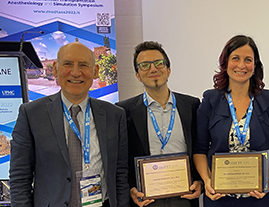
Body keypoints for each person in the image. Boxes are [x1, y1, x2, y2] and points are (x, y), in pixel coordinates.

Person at [9, 42, 129, 207]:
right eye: (68, 64)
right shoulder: (31, 114)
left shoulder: (115, 115)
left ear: (95, 71)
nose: (75, 72)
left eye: (83, 65)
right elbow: (20, 177)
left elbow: (120, 173)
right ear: (55, 69)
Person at [193, 35, 269, 207]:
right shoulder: (210, 100)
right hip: (218, 197)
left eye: (248, 60)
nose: (242, 65)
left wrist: (264, 180)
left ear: (255, 65)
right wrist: (207, 180)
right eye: (235, 58)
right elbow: (199, 149)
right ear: (225, 62)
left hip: (259, 197)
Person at [116, 41, 202, 207]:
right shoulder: (123, 111)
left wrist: (200, 182)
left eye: (158, 63)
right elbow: (120, 159)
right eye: (145, 65)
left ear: (168, 70)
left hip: (184, 198)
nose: (153, 69)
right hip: (147, 200)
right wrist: (130, 189)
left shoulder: (192, 105)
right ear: (137, 75)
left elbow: (200, 148)